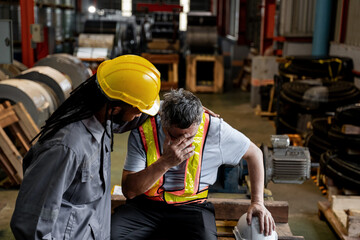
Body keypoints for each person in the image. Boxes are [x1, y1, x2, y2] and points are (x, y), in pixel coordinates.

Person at [10, 55, 161, 240]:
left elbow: (127, 121)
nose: (139, 116)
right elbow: (30, 224)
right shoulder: (66, 147)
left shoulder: (100, 117)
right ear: (115, 108)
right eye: (138, 110)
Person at [111, 88, 276, 240]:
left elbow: (255, 154)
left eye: (190, 136)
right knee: (109, 235)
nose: (183, 142)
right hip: (144, 207)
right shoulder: (144, 129)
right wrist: (165, 163)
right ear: (163, 119)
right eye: (175, 136)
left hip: (192, 208)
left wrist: (257, 202)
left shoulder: (215, 129)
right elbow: (130, 191)